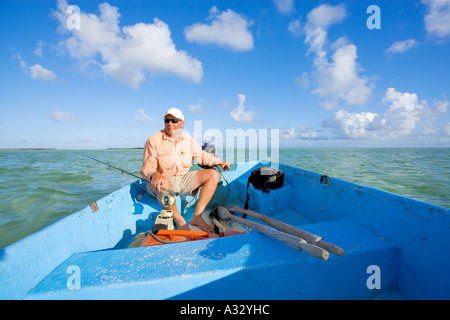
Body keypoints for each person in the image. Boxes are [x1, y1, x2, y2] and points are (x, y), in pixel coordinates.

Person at [140, 107, 230, 232]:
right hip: (163, 182)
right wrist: (154, 174)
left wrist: (220, 162)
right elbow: (146, 167)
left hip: (183, 179)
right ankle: (179, 220)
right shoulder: (153, 139)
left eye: (174, 120)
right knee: (164, 182)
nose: (170, 123)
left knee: (213, 174)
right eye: (167, 120)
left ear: (182, 123)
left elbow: (203, 156)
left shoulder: (188, 140)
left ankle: (196, 217)